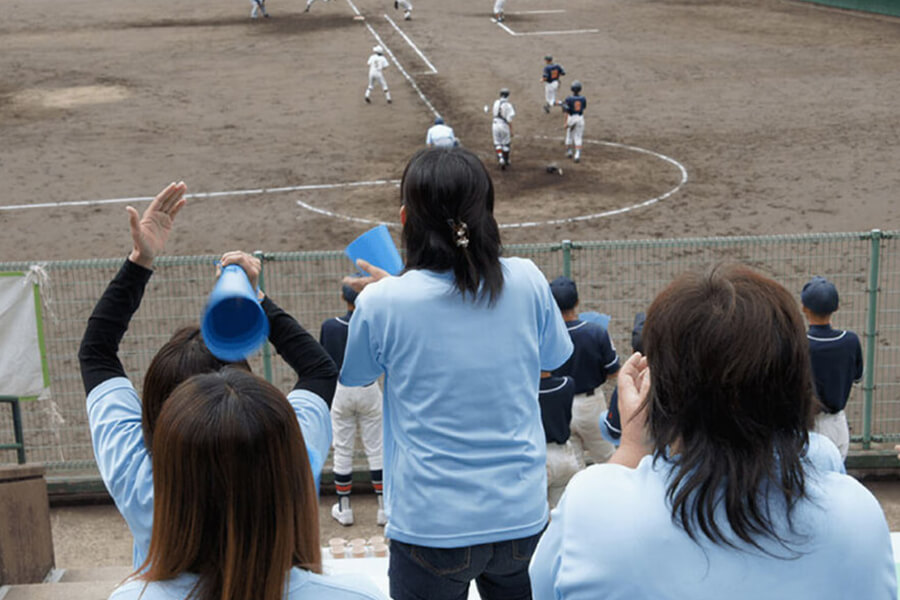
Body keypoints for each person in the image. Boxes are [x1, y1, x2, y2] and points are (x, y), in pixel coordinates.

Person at [529, 264, 896, 600]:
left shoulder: (591, 507)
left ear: (662, 394)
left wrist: (632, 445)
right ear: (795, 382)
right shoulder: (857, 517)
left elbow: (544, 589)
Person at [340, 147, 573, 600]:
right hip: (521, 516)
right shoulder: (526, 279)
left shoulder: (382, 302)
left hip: (431, 525)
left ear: (405, 219)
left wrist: (395, 289)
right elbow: (552, 358)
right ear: (487, 214)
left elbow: (358, 375)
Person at [81, 182, 337, 569]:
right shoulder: (291, 457)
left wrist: (140, 261)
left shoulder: (139, 481)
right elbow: (319, 370)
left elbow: (96, 352)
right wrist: (257, 298)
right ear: (246, 389)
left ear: (158, 410)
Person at [108, 369, 387, 600]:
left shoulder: (130, 597)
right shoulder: (358, 595)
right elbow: (318, 368)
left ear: (170, 489)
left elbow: (95, 356)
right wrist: (263, 301)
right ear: (292, 481)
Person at [320, 283, 385, 527]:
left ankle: (345, 508)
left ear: (342, 297)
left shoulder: (330, 326)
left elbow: (324, 359)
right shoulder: (374, 324)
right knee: (376, 449)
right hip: (369, 388)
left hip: (341, 390)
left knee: (343, 450)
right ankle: (383, 508)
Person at [549, 276, 619, 468]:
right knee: (607, 459)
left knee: (575, 466)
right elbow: (613, 372)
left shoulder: (546, 337)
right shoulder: (596, 332)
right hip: (591, 405)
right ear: (577, 302)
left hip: (560, 406)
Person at [801, 276, 863, 460]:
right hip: (838, 425)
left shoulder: (800, 344)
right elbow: (857, 377)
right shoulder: (850, 341)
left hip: (808, 427)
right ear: (836, 308)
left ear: (804, 308)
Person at [538, 370, 579, 508]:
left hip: (539, 455)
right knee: (562, 510)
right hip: (564, 454)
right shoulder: (567, 384)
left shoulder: (524, 390)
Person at [560, 80, 586, 163]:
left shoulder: (568, 99)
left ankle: (569, 151)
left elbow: (566, 112)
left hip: (571, 118)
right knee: (578, 137)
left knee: (569, 135)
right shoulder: (583, 98)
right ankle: (577, 155)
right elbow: (584, 107)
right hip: (580, 118)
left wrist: (565, 123)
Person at [491, 88, 516, 169]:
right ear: (508, 95)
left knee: (497, 143)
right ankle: (506, 160)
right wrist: (511, 130)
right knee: (506, 143)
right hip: (504, 126)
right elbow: (509, 119)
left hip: (495, 124)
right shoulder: (509, 106)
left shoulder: (496, 102)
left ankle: (500, 158)